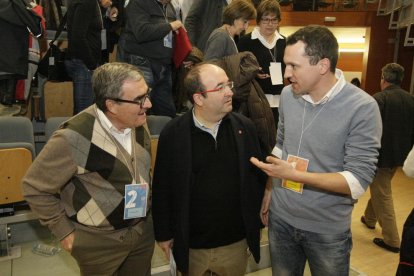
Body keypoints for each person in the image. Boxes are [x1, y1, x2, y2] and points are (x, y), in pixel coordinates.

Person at [250, 25, 382, 275]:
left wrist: (296, 175)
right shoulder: (289, 95)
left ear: (322, 65)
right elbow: (281, 145)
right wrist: (270, 189)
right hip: (281, 219)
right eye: (285, 64)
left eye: (294, 66)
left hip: (326, 229)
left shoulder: (362, 107)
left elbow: (356, 181)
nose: (286, 73)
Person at [22, 62, 154, 276]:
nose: (148, 104)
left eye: (146, 94)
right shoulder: (72, 137)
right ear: (111, 105)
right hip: (98, 244)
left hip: (141, 233)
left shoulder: (137, 120)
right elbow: (34, 188)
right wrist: (65, 233)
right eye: (139, 99)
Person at [152, 63, 267, 275]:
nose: (230, 92)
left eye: (228, 84)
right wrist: (164, 234)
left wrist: (255, 227)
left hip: (234, 244)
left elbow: (255, 180)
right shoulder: (173, 133)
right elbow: (162, 187)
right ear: (198, 98)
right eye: (220, 87)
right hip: (191, 246)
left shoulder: (245, 128)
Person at [361, 63, 414, 253]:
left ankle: (392, 240)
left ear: (383, 78)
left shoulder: (378, 99)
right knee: (380, 188)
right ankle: (369, 218)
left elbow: (368, 129)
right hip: (401, 156)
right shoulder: (411, 99)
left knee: (382, 194)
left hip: (380, 156)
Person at [119, 0, 183, 118]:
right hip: (142, 62)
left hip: (164, 64)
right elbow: (142, 32)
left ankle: (165, 136)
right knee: (139, 108)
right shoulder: (138, 3)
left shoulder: (170, 7)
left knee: (167, 113)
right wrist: (170, 26)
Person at [237, 0, 286, 129]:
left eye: (274, 20)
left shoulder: (284, 41)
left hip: (279, 98)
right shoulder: (245, 42)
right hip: (255, 99)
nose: (270, 24)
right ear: (258, 20)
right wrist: (253, 73)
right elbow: (238, 69)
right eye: (266, 20)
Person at [65, 0, 105, 114]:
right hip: (83, 63)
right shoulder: (87, 2)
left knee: (83, 112)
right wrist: (91, 64)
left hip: (82, 61)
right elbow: (78, 36)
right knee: (84, 114)